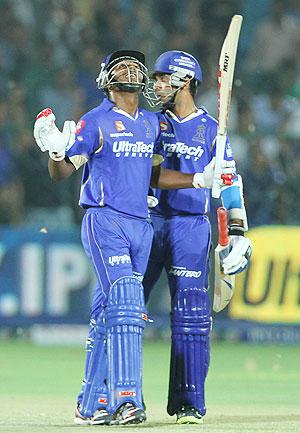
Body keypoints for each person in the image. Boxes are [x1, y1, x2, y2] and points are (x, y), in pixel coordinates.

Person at [33, 50, 234, 426]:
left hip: (142, 225)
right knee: (126, 303)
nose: (130, 69)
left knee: (110, 314)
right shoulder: (94, 121)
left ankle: (89, 404)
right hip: (105, 220)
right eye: (120, 64)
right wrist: (55, 148)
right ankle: (127, 400)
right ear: (105, 78)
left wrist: (200, 179)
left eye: (135, 64)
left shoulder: (151, 125)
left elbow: (157, 173)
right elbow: (61, 171)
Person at [143, 50, 252, 424]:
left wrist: (238, 232)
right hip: (147, 221)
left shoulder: (212, 130)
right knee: (124, 312)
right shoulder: (151, 124)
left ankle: (189, 402)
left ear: (184, 81)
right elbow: (149, 175)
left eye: (162, 78)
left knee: (190, 316)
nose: (155, 85)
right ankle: (117, 397)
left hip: (191, 226)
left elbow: (230, 181)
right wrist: (198, 178)